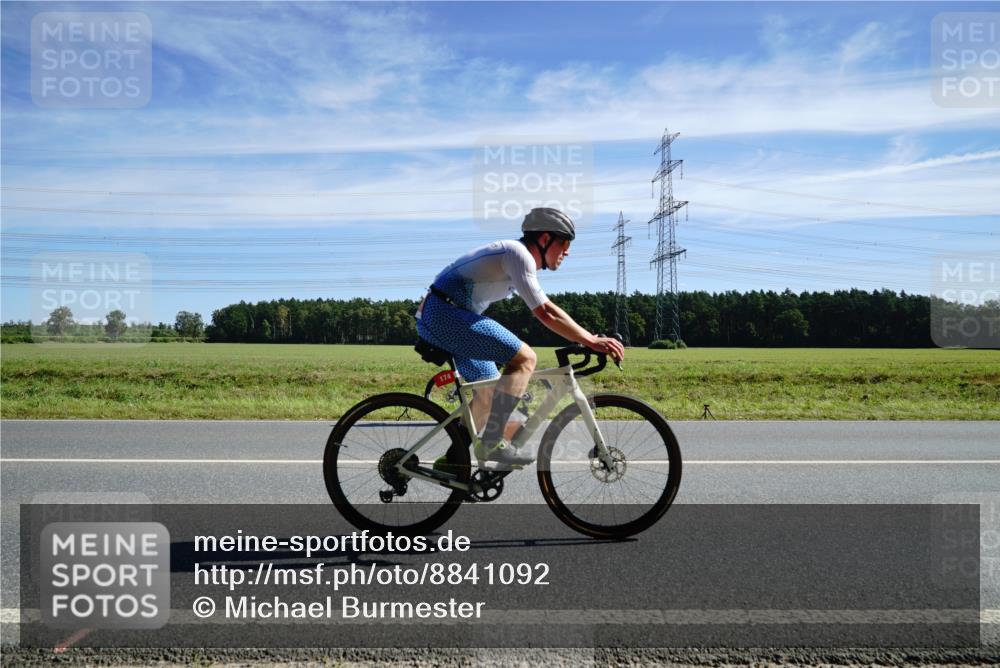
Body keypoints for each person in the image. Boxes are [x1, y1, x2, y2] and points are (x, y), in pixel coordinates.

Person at [415, 207, 625, 469]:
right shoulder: (518, 254)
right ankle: (491, 441)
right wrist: (592, 341)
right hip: (443, 314)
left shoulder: (519, 260)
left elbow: (548, 306)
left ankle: (453, 460)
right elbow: (546, 313)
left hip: (443, 313)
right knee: (525, 358)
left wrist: (588, 337)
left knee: (488, 391)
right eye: (564, 243)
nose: (567, 251)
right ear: (545, 239)